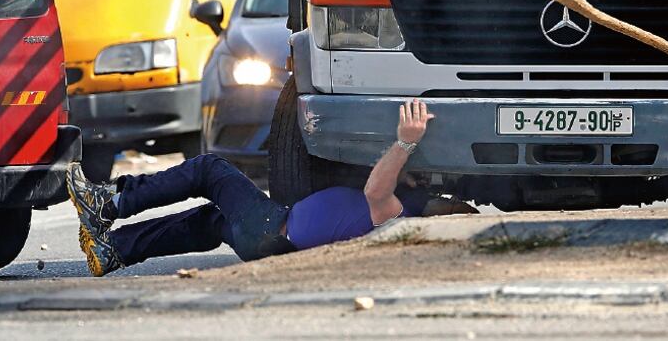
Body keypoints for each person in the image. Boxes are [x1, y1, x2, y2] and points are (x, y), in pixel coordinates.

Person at [68, 99, 470, 276]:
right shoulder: (401, 212)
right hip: (269, 241)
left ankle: (108, 202)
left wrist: (405, 142)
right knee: (208, 222)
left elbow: (375, 192)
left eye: (455, 209)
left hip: (271, 228)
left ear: (442, 222)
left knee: (210, 168)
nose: (452, 202)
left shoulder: (400, 219)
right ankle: (114, 250)